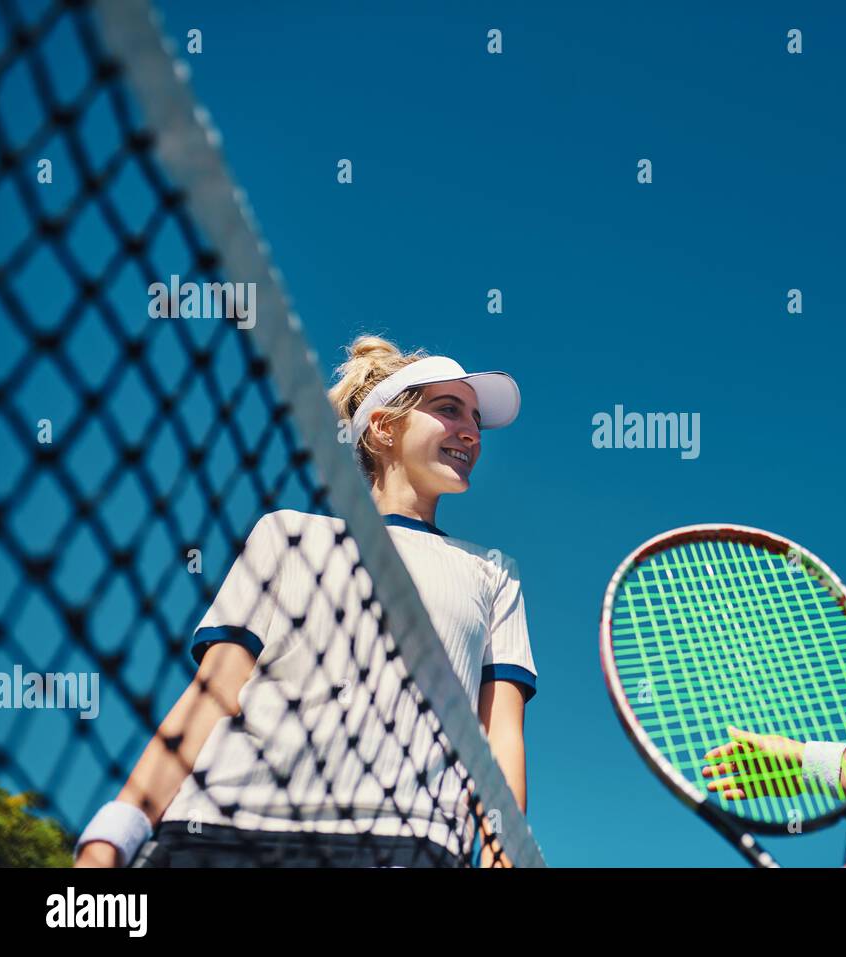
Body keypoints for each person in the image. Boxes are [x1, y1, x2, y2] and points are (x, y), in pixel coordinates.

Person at [74, 336, 537, 867]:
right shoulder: (287, 533)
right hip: (217, 834)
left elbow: (500, 737)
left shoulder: (493, 572)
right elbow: (212, 693)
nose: (471, 432)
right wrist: (113, 834)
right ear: (385, 427)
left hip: (406, 843)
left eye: (476, 419)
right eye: (448, 409)